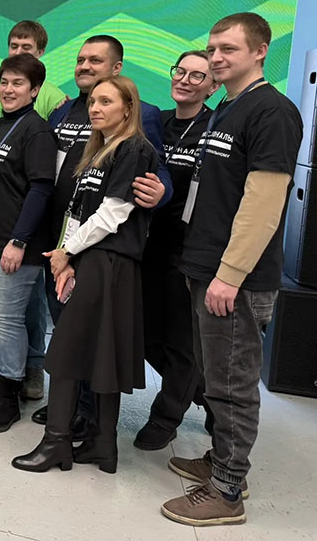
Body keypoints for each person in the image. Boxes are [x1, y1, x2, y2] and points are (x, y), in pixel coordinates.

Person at [161, 13, 302, 526]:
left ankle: (227, 491)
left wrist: (230, 274)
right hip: (205, 265)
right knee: (213, 375)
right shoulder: (227, 106)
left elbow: (263, 202)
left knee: (231, 382)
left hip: (234, 278)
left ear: (260, 51)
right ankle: (222, 460)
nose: (216, 57)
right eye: (212, 48)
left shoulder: (272, 111)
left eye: (228, 49)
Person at [12, 75, 158, 474]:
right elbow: (80, 212)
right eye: (93, 101)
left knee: (66, 353)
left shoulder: (133, 149)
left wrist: (67, 251)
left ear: (129, 108)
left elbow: (112, 215)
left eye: (107, 101)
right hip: (91, 260)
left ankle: (56, 442)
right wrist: (70, 257)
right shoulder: (99, 149)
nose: (95, 108)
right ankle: (102, 445)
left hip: (110, 263)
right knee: (100, 356)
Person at [30, 35, 171, 430]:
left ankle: (87, 414)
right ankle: (69, 403)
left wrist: (161, 192)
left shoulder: (143, 116)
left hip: (96, 246)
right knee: (64, 325)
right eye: (80, 59)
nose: (85, 66)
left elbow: (155, 169)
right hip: (60, 236)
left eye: (95, 60)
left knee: (89, 333)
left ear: (116, 68)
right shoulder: (62, 112)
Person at [0, 20, 68, 386]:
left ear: (35, 90)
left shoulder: (38, 130)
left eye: (18, 83)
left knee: (8, 320)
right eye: (4, 82)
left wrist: (19, 240)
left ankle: (11, 387)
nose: (8, 89)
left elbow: (40, 189)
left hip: (14, 242)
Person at [134, 51, 218, 451]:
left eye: (197, 76)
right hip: (149, 243)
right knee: (146, 335)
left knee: (181, 340)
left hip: (189, 250)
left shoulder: (216, 128)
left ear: (213, 86)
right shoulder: (156, 121)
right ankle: (202, 391)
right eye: (180, 71)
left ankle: (166, 416)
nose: (184, 79)